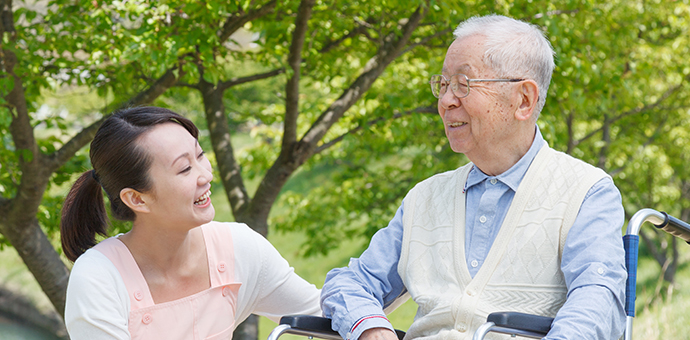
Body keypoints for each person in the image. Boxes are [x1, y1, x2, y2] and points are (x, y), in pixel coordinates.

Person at [320, 14, 626, 340]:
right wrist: (371, 327)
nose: (445, 100)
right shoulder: (425, 198)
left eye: (463, 84)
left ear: (523, 100)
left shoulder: (586, 192)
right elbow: (349, 282)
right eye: (443, 84)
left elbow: (598, 301)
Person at [61, 106, 321, 339]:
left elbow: (326, 314)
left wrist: (363, 325)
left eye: (200, 155)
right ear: (137, 199)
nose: (205, 175)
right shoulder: (99, 278)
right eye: (185, 169)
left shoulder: (238, 249)